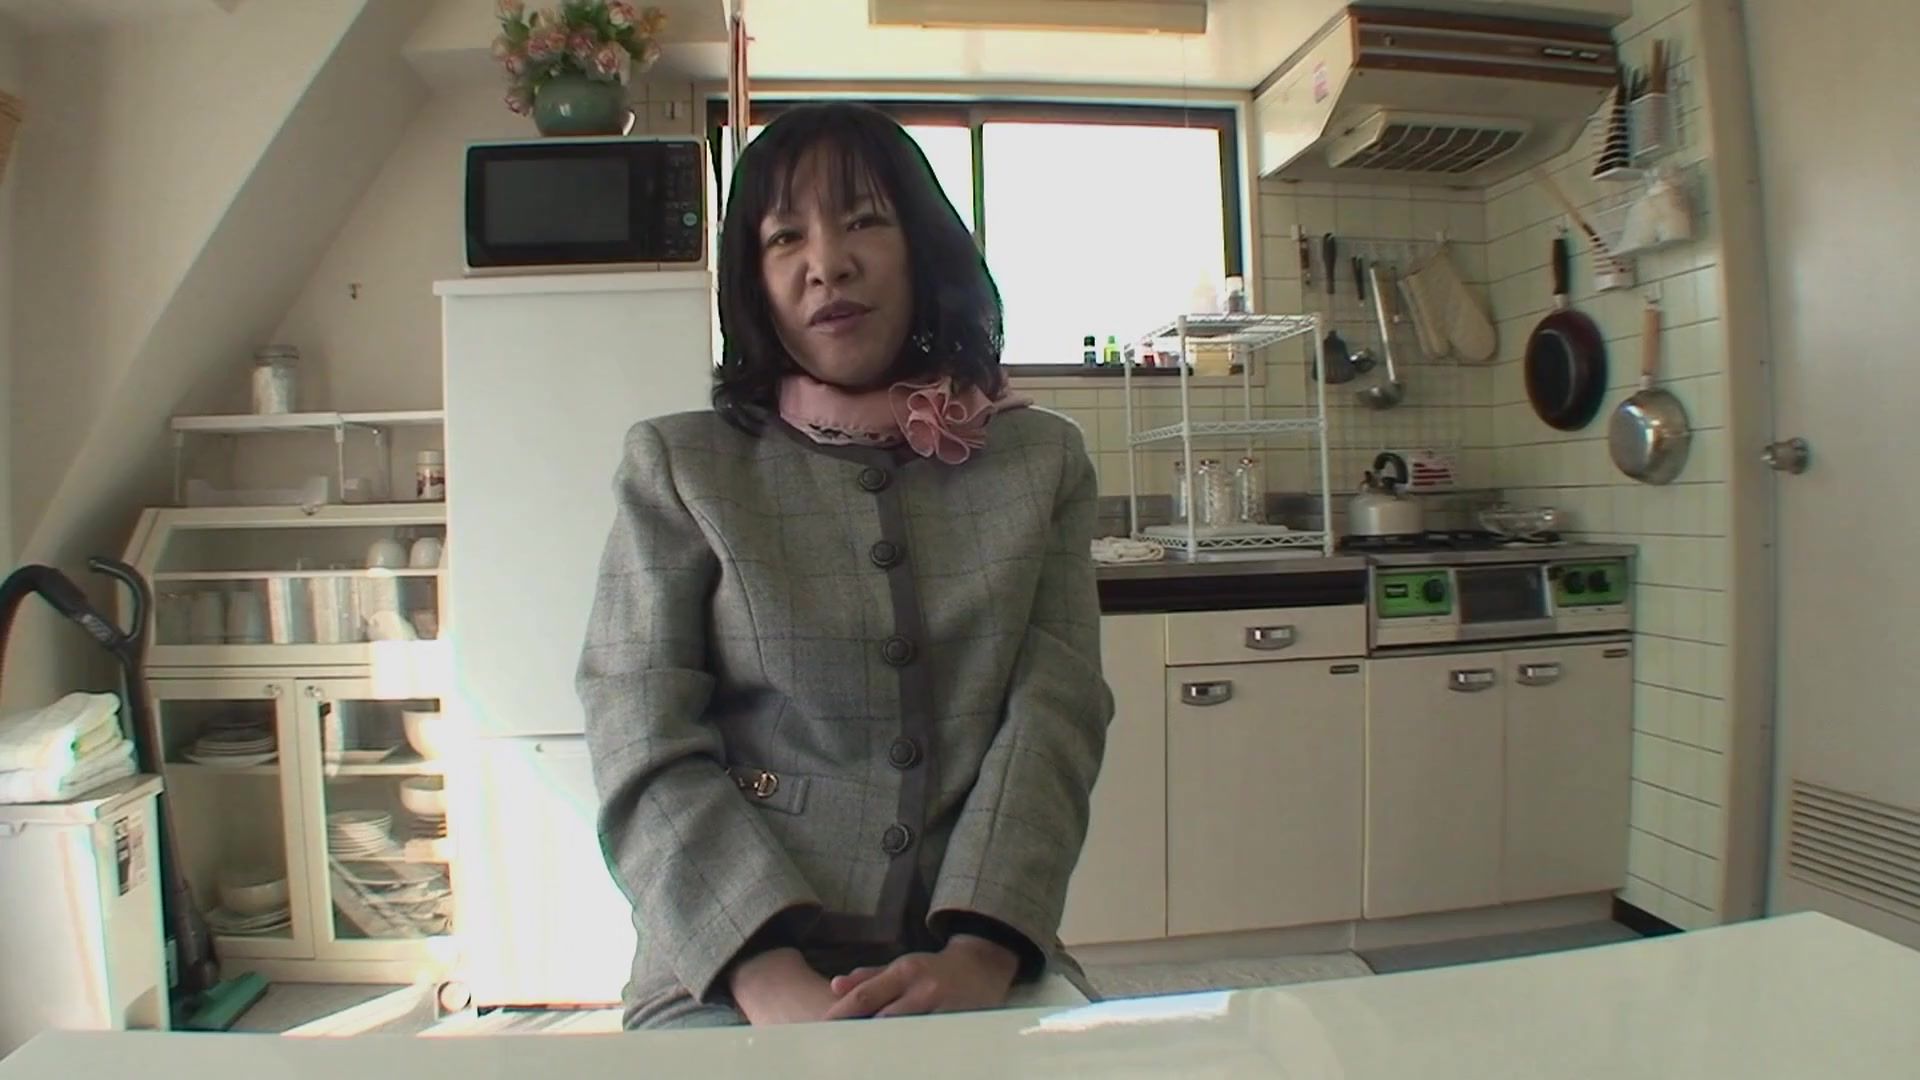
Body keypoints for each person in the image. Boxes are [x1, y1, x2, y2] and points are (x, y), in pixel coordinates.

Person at [577, 102, 1114, 1030]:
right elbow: (638, 731)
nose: (827, 262)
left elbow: (1053, 718)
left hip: (973, 949)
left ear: (925, 248)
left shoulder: (1041, 461)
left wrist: (981, 953)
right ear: (755, 280)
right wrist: (765, 976)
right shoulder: (683, 465)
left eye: (865, 220)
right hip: (726, 963)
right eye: (785, 237)